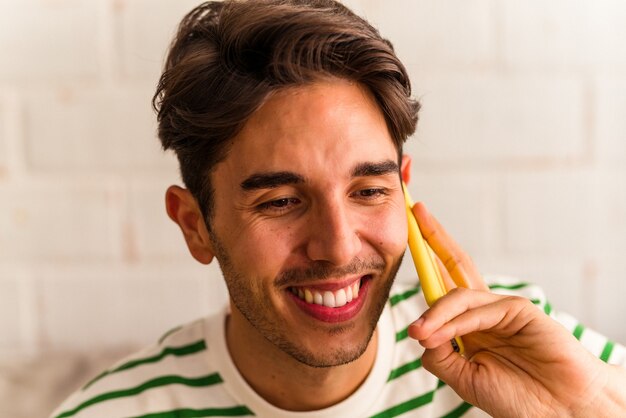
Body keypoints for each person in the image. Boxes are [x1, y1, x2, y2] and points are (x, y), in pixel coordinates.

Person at [52, 1, 626, 417]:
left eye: (369, 191)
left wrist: (585, 407)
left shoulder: (515, 343)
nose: (339, 247)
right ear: (195, 225)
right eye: (279, 201)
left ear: (403, 189)